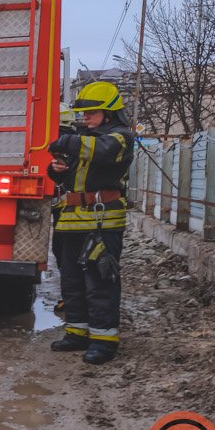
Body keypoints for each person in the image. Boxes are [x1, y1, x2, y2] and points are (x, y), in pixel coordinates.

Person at [46, 81, 134, 365]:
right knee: (72, 281)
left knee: (100, 281)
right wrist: (57, 170)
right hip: (71, 221)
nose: (85, 117)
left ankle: (104, 340)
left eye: (91, 112)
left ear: (108, 114)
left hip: (102, 222)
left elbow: (102, 151)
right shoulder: (86, 138)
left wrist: (66, 140)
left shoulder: (120, 138)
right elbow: (71, 174)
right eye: (83, 113)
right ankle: (77, 332)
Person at [51, 103, 76, 313]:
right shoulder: (76, 143)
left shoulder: (73, 147)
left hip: (71, 210)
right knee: (64, 253)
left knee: (65, 253)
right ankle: (70, 298)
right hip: (68, 209)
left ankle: (71, 298)